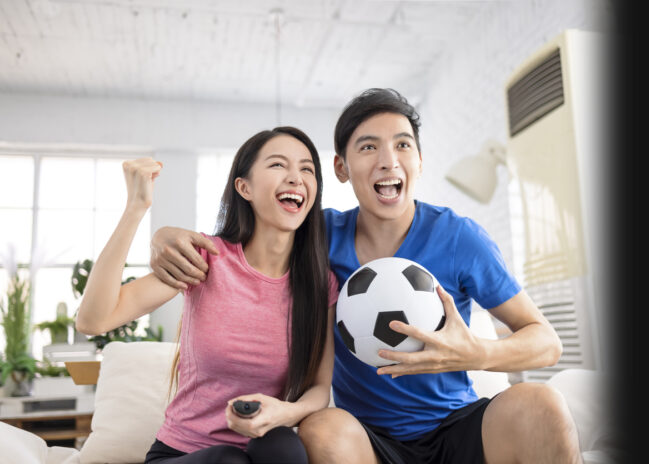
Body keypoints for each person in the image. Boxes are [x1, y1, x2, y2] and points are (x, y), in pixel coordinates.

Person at [149, 89, 583, 464]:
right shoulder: (317, 236)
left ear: (419, 160)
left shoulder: (459, 237)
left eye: (403, 145)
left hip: (457, 424)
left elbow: (546, 342)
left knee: (543, 403)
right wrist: (163, 236)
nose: (388, 161)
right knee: (321, 429)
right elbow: (249, 238)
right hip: (369, 440)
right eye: (369, 147)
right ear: (340, 168)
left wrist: (475, 354)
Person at [75, 126, 338, 464]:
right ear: (244, 188)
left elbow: (319, 387)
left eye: (307, 169)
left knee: (283, 445)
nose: (296, 178)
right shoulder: (206, 258)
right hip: (182, 454)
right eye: (278, 165)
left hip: (262, 447)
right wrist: (136, 208)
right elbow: (94, 320)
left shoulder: (319, 284)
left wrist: (286, 413)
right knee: (230, 461)